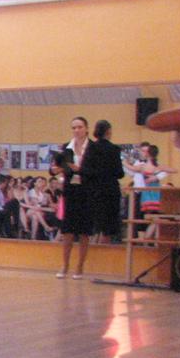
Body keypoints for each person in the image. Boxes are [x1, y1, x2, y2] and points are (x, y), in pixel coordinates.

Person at [51, 116, 92, 278]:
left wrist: (80, 169)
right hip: (70, 191)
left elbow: (98, 171)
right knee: (67, 230)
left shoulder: (93, 148)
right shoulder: (66, 148)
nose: (76, 130)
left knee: (84, 232)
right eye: (74, 127)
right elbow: (55, 168)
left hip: (87, 192)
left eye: (80, 127)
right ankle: (65, 265)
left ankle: (80, 266)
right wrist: (56, 170)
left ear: (86, 128)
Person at [80, 120, 124, 244]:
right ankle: (104, 250)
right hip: (110, 191)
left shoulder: (90, 148)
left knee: (94, 225)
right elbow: (120, 173)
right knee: (108, 227)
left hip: (94, 191)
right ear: (108, 131)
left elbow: (84, 170)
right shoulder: (114, 149)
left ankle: (92, 250)